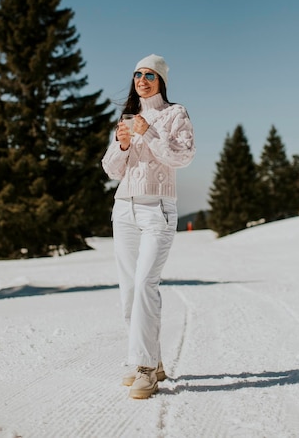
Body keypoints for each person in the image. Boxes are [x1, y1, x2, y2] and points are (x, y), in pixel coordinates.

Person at [102, 54, 195, 399]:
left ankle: (143, 369)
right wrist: (123, 142)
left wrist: (149, 132)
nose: (142, 79)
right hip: (124, 210)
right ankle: (151, 362)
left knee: (144, 285)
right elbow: (112, 169)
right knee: (129, 291)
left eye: (149, 74)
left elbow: (183, 156)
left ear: (161, 81)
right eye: (138, 74)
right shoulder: (129, 117)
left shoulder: (175, 114)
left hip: (157, 208)